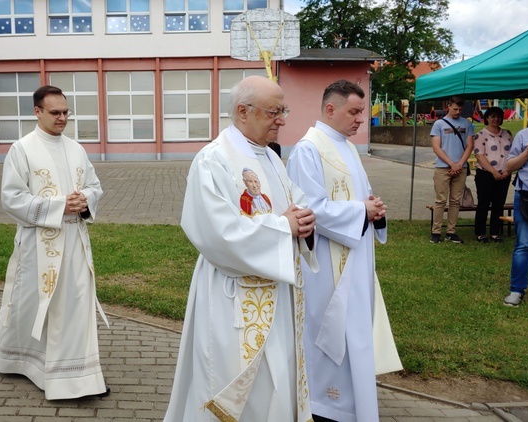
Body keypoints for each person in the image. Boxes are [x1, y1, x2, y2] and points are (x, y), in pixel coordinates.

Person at [165, 75, 317, 422]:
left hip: (277, 293)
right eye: (274, 112)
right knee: (235, 383)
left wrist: (305, 219)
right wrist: (284, 227)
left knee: (278, 380)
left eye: (284, 111)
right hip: (232, 294)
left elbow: (295, 202)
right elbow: (215, 232)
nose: (282, 120)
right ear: (243, 111)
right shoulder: (214, 159)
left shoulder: (271, 158)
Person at [286, 79, 401, 422]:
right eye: (353, 111)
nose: (359, 119)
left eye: (361, 113)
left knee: (356, 336)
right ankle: (325, 405)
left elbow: (359, 197)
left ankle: (354, 404)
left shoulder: (348, 148)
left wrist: (374, 210)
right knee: (331, 333)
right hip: (327, 265)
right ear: (330, 109)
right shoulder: (309, 149)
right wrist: (360, 211)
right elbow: (310, 210)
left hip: (356, 261)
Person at [0, 85, 108, 400]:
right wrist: (59, 206)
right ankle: (25, 363)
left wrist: (86, 199)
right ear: (37, 112)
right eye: (55, 112)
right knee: (36, 305)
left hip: (75, 243)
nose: (62, 118)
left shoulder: (76, 149)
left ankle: (80, 377)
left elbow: (95, 185)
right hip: (38, 246)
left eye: (66, 112)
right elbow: (11, 199)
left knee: (76, 305)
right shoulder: (22, 149)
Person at [503, 120, 528, 307]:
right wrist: (527, 153)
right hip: (527, 196)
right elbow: (509, 166)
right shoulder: (525, 135)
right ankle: (516, 290)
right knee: (524, 245)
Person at [430, 96, 474, 243]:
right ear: (448, 106)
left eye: (460, 110)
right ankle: (436, 232)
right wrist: (451, 163)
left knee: (455, 201)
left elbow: (470, 145)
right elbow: (436, 147)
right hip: (443, 167)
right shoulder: (439, 124)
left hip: (460, 167)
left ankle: (451, 231)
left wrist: (460, 164)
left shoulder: (467, 123)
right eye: (455, 109)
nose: (457, 112)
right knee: (440, 200)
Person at [473, 107, 512, 243]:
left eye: (499, 116)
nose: (496, 119)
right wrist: (493, 172)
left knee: (498, 204)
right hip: (486, 174)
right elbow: (479, 155)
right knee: (484, 203)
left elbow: (513, 154)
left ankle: (495, 232)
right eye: (493, 116)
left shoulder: (507, 134)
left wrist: (508, 170)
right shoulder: (481, 134)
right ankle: (480, 232)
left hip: (505, 174)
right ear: (487, 118)